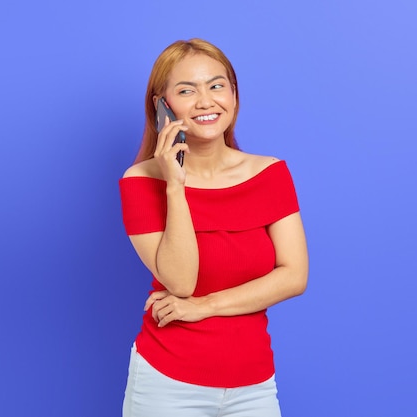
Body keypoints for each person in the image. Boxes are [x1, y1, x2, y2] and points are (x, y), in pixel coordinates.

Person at [118, 38, 309, 417]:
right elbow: (181, 282)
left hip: (254, 384)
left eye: (216, 86)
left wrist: (204, 307)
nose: (206, 101)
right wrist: (176, 183)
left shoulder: (270, 174)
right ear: (163, 105)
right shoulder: (140, 182)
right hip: (167, 384)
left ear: (234, 96)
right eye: (187, 91)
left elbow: (294, 276)